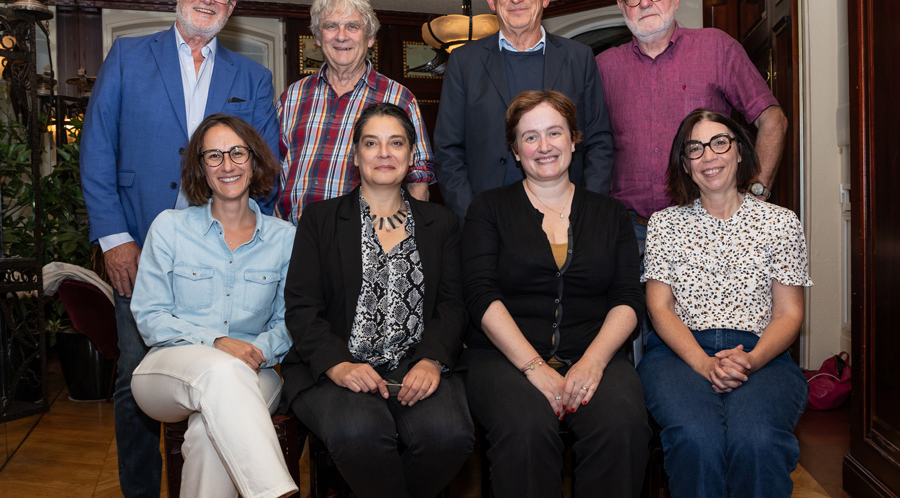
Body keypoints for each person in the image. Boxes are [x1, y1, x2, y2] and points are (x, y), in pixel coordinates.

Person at [80, 0, 277, 497]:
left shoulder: (252, 77)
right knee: (133, 378)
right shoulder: (127, 56)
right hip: (141, 250)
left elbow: (265, 166)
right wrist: (116, 240)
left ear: (232, 5)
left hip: (223, 255)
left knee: (219, 370)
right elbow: (96, 152)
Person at [461, 90, 650, 498]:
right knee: (526, 431)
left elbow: (628, 299)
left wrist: (592, 363)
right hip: (504, 359)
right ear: (514, 150)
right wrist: (533, 366)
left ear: (574, 139)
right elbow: (480, 295)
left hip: (594, 350)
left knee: (622, 427)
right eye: (530, 137)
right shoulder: (487, 209)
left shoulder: (610, 214)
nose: (543, 146)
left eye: (554, 133)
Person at [281, 103, 473, 498]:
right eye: (372, 143)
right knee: (360, 433)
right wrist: (338, 365)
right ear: (355, 155)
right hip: (337, 367)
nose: (384, 153)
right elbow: (302, 307)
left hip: (415, 363)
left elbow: (453, 305)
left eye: (396, 143)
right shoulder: (319, 220)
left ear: (411, 154)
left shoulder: (441, 224)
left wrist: (432, 360)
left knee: (448, 435)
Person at [637, 109, 811, 498]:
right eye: (694, 149)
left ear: (739, 152)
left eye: (719, 143)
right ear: (684, 164)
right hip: (679, 354)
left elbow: (789, 313)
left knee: (758, 440)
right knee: (698, 440)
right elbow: (660, 308)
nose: (709, 156)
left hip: (762, 353)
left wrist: (750, 359)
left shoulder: (780, 223)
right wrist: (703, 363)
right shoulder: (665, 224)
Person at [130, 114, 297, 498]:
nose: (227, 165)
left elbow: (289, 320)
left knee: (208, 433)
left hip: (258, 368)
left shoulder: (285, 238)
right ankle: (273, 491)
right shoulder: (170, 228)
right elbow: (151, 316)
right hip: (168, 369)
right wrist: (217, 342)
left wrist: (257, 350)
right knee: (221, 372)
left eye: (237, 153)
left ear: (254, 162)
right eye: (214, 156)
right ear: (200, 168)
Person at [595, 0, 788, 247]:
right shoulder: (602, 67)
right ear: (622, 7)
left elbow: (773, 119)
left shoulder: (716, 48)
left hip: (705, 226)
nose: (645, 3)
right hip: (628, 233)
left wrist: (755, 195)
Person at [434, 0, 614, 224]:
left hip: (566, 219)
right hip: (489, 222)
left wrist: (585, 211)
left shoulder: (579, 58)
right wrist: (472, 217)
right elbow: (448, 151)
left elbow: (599, 141)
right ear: (492, 0)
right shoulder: (463, 62)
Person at [276, 0, 435, 224]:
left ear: (370, 37)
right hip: (292, 242)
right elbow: (269, 172)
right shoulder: (292, 97)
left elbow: (419, 180)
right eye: (331, 26)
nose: (341, 36)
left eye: (352, 26)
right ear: (318, 37)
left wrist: (412, 239)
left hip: (368, 246)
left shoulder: (400, 98)